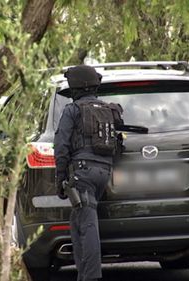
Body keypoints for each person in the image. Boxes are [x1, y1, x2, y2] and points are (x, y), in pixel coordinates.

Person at [54, 65, 123, 281]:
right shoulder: (108, 109)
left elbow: (61, 146)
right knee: (78, 225)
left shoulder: (72, 110)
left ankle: (92, 277)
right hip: (104, 172)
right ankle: (83, 275)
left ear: (75, 88)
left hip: (82, 174)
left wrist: (60, 178)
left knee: (87, 224)